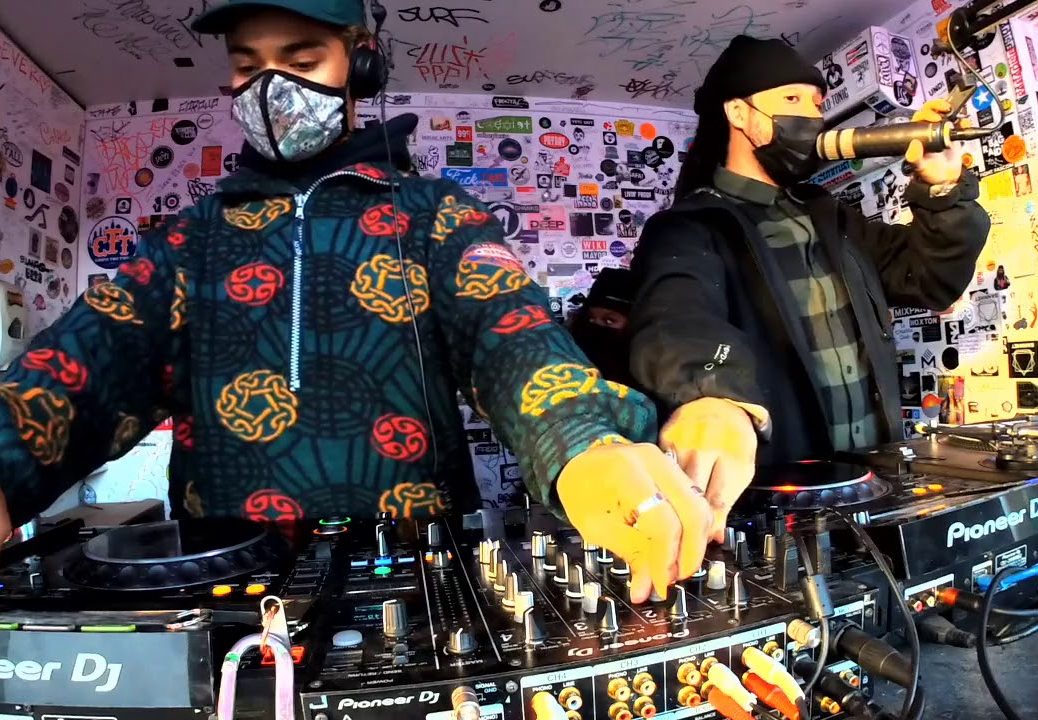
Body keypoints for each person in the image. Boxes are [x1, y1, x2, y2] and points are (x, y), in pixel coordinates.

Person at [0, 0, 713, 601]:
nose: (270, 87)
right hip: (224, 588)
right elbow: (93, 355)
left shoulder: (435, 216)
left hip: (419, 579)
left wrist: (583, 444)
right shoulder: (193, 238)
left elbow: (512, 338)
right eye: (247, 66)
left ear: (361, 63)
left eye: (302, 60)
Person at [628, 35, 990, 518]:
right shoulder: (690, 227)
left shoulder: (833, 216)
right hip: (781, 502)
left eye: (817, 105)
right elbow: (677, 323)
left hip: (876, 486)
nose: (812, 117)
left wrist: (941, 185)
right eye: (792, 99)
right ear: (738, 114)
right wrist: (712, 399)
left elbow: (930, 279)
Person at [568, 268, 636, 387]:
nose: (596, 325)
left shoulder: (647, 374)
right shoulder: (569, 358)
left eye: (609, 321)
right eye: (590, 318)